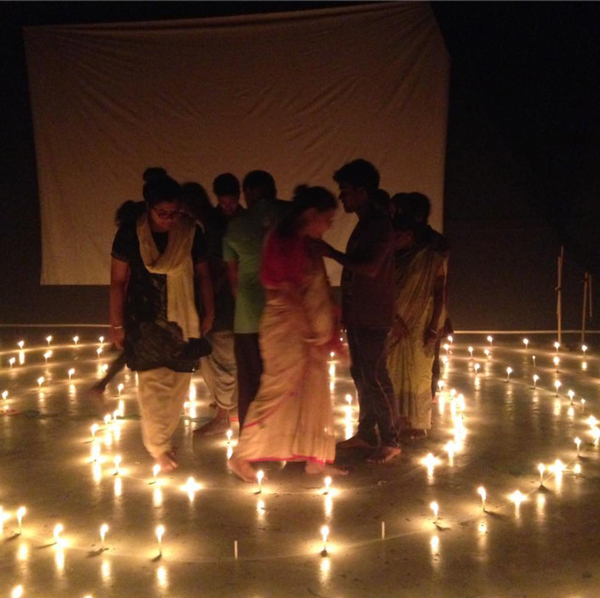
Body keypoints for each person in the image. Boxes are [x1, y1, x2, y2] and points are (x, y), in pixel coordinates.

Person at [228, 185, 347, 482]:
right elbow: (289, 294)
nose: (329, 226)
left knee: (314, 393)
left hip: (306, 332)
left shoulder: (305, 242)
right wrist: (309, 337)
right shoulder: (285, 241)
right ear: (311, 214)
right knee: (276, 391)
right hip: (287, 330)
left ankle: (315, 459)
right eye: (328, 219)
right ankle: (240, 457)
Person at [110, 168, 214, 472]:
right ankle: (156, 447)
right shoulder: (130, 233)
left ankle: (163, 440)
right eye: (162, 213)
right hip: (144, 319)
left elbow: (203, 273)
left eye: (174, 212)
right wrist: (116, 324)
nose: (169, 219)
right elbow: (117, 280)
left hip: (184, 319)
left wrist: (209, 310)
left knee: (179, 383)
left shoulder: (191, 232)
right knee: (154, 385)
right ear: (148, 207)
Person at [317, 159, 401, 463]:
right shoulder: (366, 223)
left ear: (363, 191)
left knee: (376, 376)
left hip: (374, 315)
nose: (341, 197)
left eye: (346, 191)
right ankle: (366, 434)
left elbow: (370, 267)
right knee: (361, 375)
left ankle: (391, 440)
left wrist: (332, 253)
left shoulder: (379, 224)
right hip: (359, 314)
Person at [223, 170, 289, 429]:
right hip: (285, 308)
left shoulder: (237, 224)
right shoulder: (291, 215)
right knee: (284, 379)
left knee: (250, 381)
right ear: (273, 189)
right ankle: (284, 440)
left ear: (248, 192)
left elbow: (233, 276)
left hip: (249, 311)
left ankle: (252, 445)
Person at [181, 176, 242, 435]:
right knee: (216, 357)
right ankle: (227, 406)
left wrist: (210, 305)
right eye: (223, 201)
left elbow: (220, 269)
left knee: (223, 357)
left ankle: (223, 415)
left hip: (225, 305)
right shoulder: (209, 224)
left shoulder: (219, 226)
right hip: (220, 303)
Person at [387, 207, 448, 439]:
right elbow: (381, 292)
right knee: (392, 371)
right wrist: (392, 320)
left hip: (420, 324)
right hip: (393, 324)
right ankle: (396, 419)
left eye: (396, 236)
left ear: (409, 235)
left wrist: (434, 327)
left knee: (420, 371)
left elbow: (440, 292)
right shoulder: (388, 259)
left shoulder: (431, 259)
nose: (391, 241)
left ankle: (418, 422)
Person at [391, 192, 452, 397]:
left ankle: (420, 409)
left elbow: (440, 284)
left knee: (425, 359)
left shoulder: (435, 245)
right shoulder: (396, 242)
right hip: (399, 312)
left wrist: (440, 319)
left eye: (397, 210)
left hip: (425, 312)